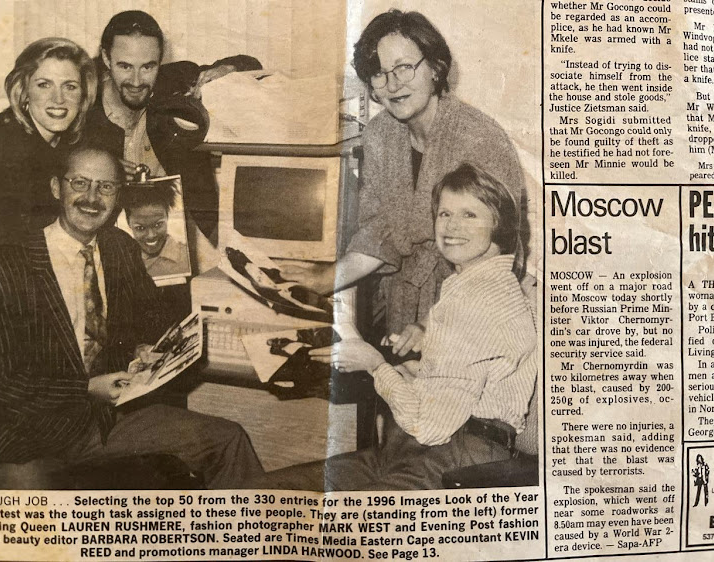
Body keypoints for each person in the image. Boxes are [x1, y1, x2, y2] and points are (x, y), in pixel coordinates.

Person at [0, 146, 263, 489]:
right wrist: (85, 388)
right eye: (80, 183)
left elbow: (152, 319)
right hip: (26, 436)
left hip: (105, 422)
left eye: (106, 187)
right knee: (30, 526)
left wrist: (146, 348)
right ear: (56, 188)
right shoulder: (7, 264)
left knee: (228, 439)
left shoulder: (119, 246)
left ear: (117, 197)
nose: (92, 198)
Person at [248, 163, 537, 490]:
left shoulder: (476, 300)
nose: (452, 226)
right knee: (269, 490)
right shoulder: (477, 284)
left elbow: (430, 426)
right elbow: (471, 384)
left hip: (455, 458)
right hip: (435, 446)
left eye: (469, 215)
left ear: (498, 225)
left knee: (279, 503)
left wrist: (375, 364)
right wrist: (415, 368)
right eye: (444, 214)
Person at [282, 9, 527, 345]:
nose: (392, 84)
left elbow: (497, 254)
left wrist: (432, 325)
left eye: (404, 68)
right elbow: (379, 230)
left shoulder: (479, 138)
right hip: (404, 304)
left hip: (471, 310)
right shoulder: (380, 134)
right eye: (379, 74)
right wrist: (324, 279)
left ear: (436, 69)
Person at [83, 10, 260, 243]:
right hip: (105, 250)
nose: (136, 81)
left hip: (182, 247)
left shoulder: (175, 81)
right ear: (106, 59)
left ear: (160, 59)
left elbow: (253, 67)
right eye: (125, 66)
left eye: (148, 67)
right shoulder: (82, 106)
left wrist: (228, 70)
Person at [0, 37, 97, 250]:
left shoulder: (68, 145)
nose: (58, 99)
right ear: (24, 91)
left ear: (83, 95)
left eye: (70, 86)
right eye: (44, 85)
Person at [120, 178, 190, 278]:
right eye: (140, 228)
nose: (151, 235)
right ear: (128, 223)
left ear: (167, 217)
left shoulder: (186, 258)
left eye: (158, 225)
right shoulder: (121, 263)